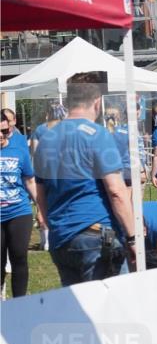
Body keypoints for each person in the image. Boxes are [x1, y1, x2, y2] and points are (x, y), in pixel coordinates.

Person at [32, 72, 137, 285]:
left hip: (61, 239)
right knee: (110, 310)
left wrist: (53, 227)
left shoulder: (46, 138)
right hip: (96, 234)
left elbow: (40, 193)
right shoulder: (97, 135)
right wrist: (133, 237)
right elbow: (116, 191)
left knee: (78, 311)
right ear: (97, 102)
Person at [1, 114, 45, 297]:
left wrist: (41, 209)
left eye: (4, 131)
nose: (2, 135)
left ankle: (20, 302)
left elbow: (30, 182)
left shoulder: (18, 152)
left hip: (19, 211)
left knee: (19, 256)